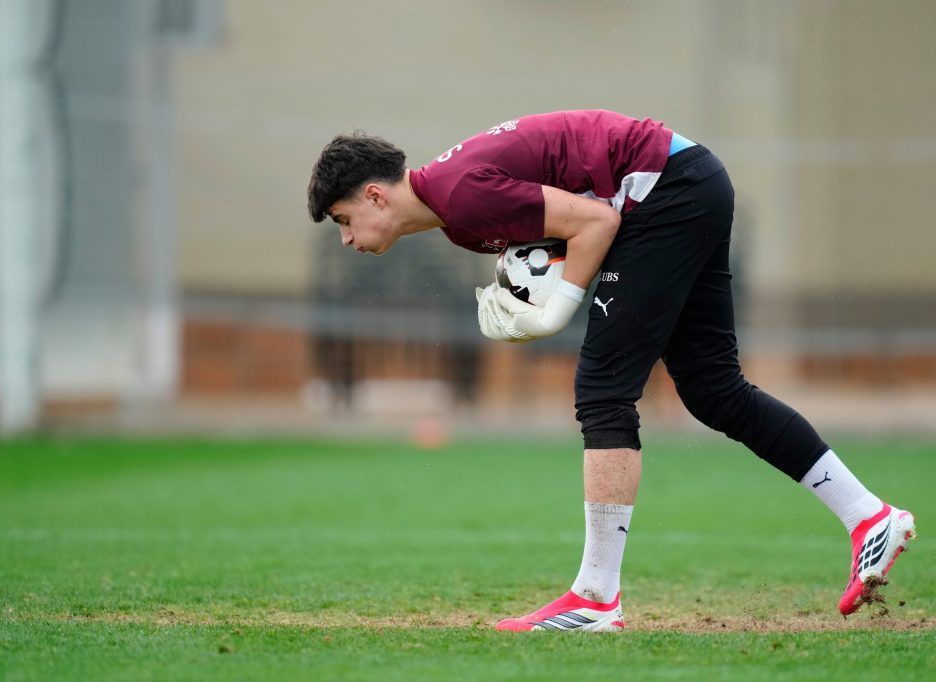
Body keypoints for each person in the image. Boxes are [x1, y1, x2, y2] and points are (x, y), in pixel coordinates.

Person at [306, 110, 916, 632]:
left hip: (668, 190)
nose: (346, 239)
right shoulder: (457, 216)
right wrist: (544, 287)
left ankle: (596, 598)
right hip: (686, 181)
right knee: (713, 389)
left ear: (375, 196)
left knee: (603, 389)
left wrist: (553, 312)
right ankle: (869, 517)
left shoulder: (461, 198)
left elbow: (597, 223)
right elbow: (580, 227)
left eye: (342, 219)